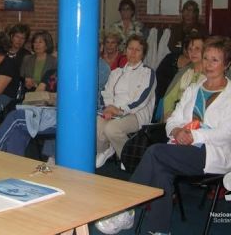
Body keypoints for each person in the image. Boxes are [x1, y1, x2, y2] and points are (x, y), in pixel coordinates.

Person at [96, 36, 231, 235]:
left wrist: (195, 136)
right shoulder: (193, 89)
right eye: (206, 59)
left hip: (212, 153)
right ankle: (159, 230)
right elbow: (174, 119)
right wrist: (176, 131)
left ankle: (126, 208)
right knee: (161, 168)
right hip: (181, 147)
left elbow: (226, 133)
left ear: (226, 64)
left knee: (156, 152)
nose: (208, 64)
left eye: (215, 60)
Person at [0, 58, 111, 157]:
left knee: (16, 118)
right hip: (55, 108)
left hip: (76, 114)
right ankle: (14, 168)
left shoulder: (101, 66)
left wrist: (56, 97)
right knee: (18, 126)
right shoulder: (66, 65)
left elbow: (83, 93)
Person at [96, 34, 156, 168]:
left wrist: (120, 110)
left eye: (137, 50)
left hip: (136, 114)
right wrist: (109, 107)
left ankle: (127, 157)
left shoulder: (148, 73)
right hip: (113, 111)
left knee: (112, 128)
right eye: (130, 49)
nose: (133, 53)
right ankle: (104, 150)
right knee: (97, 123)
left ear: (143, 53)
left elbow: (142, 99)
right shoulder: (116, 72)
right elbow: (106, 92)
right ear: (125, 50)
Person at [161, 34, 206, 121]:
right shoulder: (184, 72)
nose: (193, 52)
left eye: (197, 49)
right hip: (175, 116)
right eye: (190, 49)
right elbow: (169, 97)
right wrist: (168, 114)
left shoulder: (210, 75)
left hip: (196, 118)